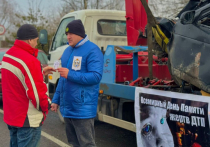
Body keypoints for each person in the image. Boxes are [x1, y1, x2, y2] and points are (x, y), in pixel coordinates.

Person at [51, 19, 104, 147]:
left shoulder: (92, 50)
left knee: (86, 144)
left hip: (82, 108)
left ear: (79, 33)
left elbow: (96, 76)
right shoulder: (67, 51)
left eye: (71, 34)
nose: (68, 37)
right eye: (66, 34)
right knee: (73, 143)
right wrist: (56, 99)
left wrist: (70, 74)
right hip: (68, 108)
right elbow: (63, 78)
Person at [1, 24, 55, 147]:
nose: (36, 44)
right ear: (30, 40)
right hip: (27, 120)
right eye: (36, 40)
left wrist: (40, 73)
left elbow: (18, 82)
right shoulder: (30, 61)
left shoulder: (8, 55)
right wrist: (47, 104)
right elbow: (36, 95)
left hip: (12, 116)